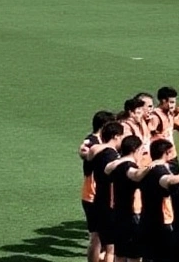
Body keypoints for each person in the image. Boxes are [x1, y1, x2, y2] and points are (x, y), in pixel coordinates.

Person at [80, 110, 115, 262]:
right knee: (99, 237)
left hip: (91, 194)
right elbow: (83, 151)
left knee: (99, 237)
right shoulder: (92, 141)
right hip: (94, 194)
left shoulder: (100, 143)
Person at [88, 120, 125, 262]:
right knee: (111, 248)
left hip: (98, 199)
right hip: (109, 203)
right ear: (116, 136)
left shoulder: (98, 152)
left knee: (100, 240)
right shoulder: (111, 155)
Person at [105, 135, 145, 262]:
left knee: (120, 254)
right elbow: (135, 175)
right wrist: (151, 168)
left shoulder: (115, 166)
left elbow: (107, 169)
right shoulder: (130, 166)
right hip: (131, 216)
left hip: (118, 214)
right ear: (135, 150)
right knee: (134, 256)